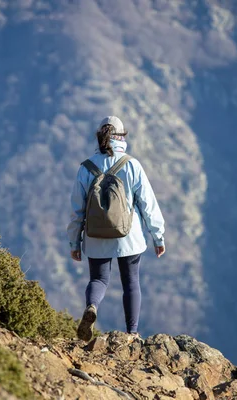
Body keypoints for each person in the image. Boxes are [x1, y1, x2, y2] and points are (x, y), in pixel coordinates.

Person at [67, 115, 166, 342]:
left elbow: (77, 211)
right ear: (121, 137)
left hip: (95, 237)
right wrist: (158, 237)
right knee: (131, 282)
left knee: (98, 280)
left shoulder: (86, 168)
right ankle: (131, 332)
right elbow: (148, 205)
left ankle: (92, 306)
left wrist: (74, 242)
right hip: (129, 236)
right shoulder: (132, 164)